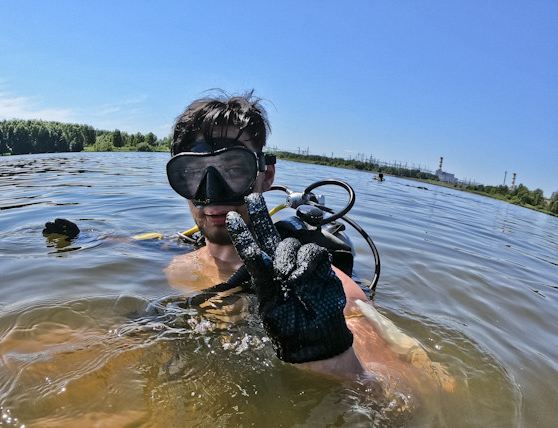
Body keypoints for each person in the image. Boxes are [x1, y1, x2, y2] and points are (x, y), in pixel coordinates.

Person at [163, 92, 453, 389]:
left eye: (235, 169)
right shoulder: (170, 264)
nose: (212, 191)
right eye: (194, 173)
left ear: (266, 176)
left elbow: (404, 399)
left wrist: (333, 359)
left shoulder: (316, 282)